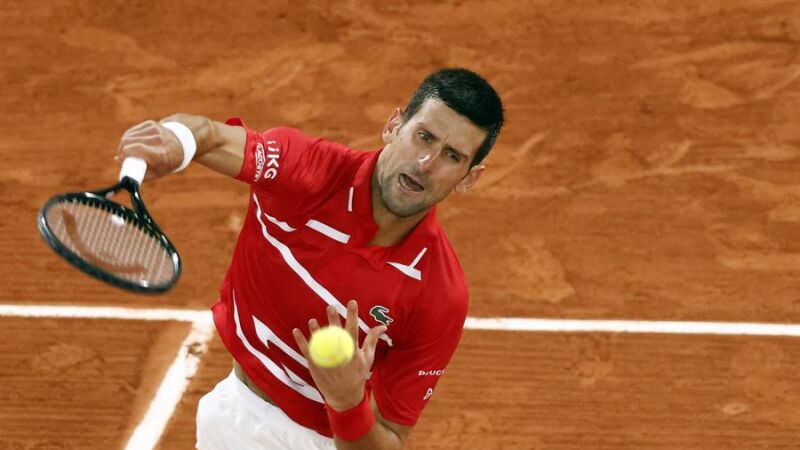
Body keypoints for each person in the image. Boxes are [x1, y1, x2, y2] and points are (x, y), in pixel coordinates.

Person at [117, 68, 504, 450]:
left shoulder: (439, 294)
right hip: (229, 413)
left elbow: (389, 441)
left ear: (468, 178)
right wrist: (177, 140)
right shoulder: (307, 174)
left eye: (452, 156)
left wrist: (347, 402)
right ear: (393, 126)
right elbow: (212, 138)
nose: (426, 163)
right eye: (424, 136)